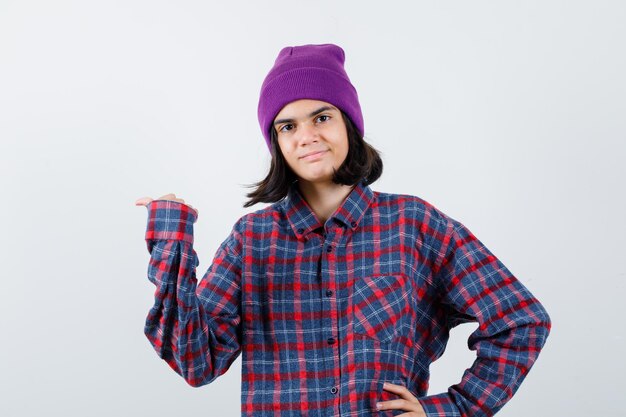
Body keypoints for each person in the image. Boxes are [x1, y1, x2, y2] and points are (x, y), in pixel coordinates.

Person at [135, 43, 551, 417]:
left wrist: (453, 409)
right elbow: (195, 361)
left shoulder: (413, 224)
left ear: (348, 123)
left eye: (321, 116)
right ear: (275, 141)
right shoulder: (251, 240)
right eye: (288, 126)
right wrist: (172, 237)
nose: (307, 136)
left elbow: (520, 319)